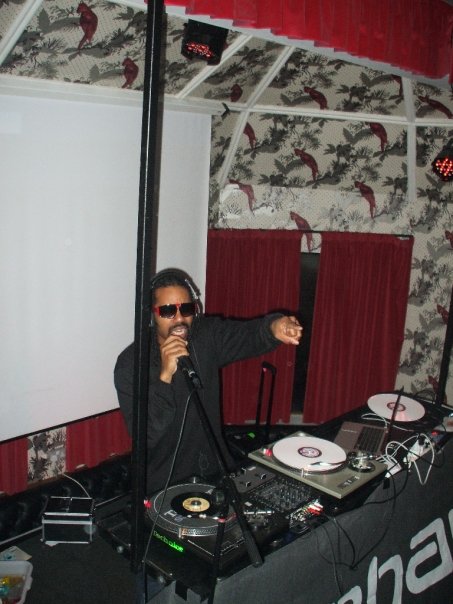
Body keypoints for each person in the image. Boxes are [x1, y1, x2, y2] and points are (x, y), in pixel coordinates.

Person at [114, 268, 303, 497]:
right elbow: (147, 435)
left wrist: (274, 327)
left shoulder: (205, 336)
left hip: (216, 468)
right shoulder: (131, 365)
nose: (180, 319)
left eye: (186, 309)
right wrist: (165, 377)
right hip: (164, 484)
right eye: (168, 311)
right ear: (151, 315)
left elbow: (249, 335)